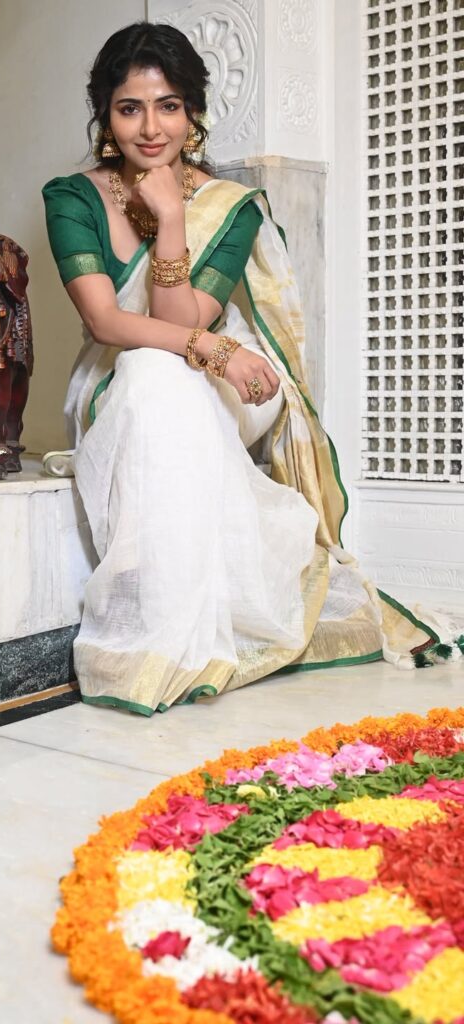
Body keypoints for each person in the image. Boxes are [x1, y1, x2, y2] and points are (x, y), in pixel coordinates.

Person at [42, 22, 437, 715]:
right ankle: (173, 637)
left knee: (163, 377)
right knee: (152, 375)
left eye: (168, 106)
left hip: (232, 388)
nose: (150, 127)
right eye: (130, 108)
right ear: (105, 115)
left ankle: (162, 643)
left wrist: (171, 218)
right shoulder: (73, 198)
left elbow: (185, 316)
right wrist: (215, 351)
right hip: (122, 376)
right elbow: (107, 323)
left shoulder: (230, 207)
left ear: (193, 112)